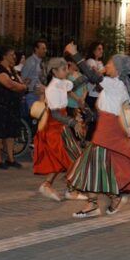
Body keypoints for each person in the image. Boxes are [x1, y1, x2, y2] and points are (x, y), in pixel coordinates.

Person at [65, 45, 130, 217]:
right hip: (106, 130)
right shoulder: (113, 86)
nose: (106, 65)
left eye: (109, 63)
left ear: (117, 68)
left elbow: (92, 77)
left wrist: (75, 55)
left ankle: (98, 202)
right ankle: (107, 199)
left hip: (110, 132)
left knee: (92, 166)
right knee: (100, 167)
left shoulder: (115, 84)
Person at [33, 57, 86, 202]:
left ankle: (48, 184)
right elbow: (56, 114)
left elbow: (74, 85)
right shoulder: (53, 88)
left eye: (67, 68)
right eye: (64, 69)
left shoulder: (61, 83)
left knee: (62, 159)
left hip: (60, 126)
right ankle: (70, 190)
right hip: (55, 127)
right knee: (74, 157)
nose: (67, 71)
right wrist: (73, 123)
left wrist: (89, 74)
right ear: (55, 71)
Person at [0, 46, 27, 169]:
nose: (14, 57)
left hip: (13, 104)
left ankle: (10, 158)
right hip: (2, 104)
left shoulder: (12, 69)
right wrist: (22, 87)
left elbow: (20, 83)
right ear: (5, 56)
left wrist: (21, 86)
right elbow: (10, 84)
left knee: (11, 132)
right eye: (12, 55)